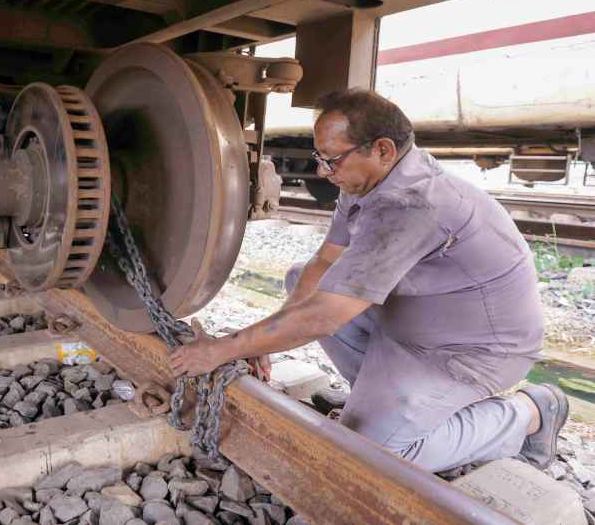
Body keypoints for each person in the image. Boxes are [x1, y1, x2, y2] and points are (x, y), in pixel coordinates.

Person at [170, 89, 568, 473]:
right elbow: (326, 260)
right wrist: (262, 341)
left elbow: (325, 317)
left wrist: (226, 348)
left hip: (472, 353)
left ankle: (528, 413)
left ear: (382, 150)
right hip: (417, 328)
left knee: (373, 453)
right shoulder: (370, 182)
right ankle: (393, 405)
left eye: (333, 160)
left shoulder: (411, 205)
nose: (323, 172)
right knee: (299, 281)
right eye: (320, 158)